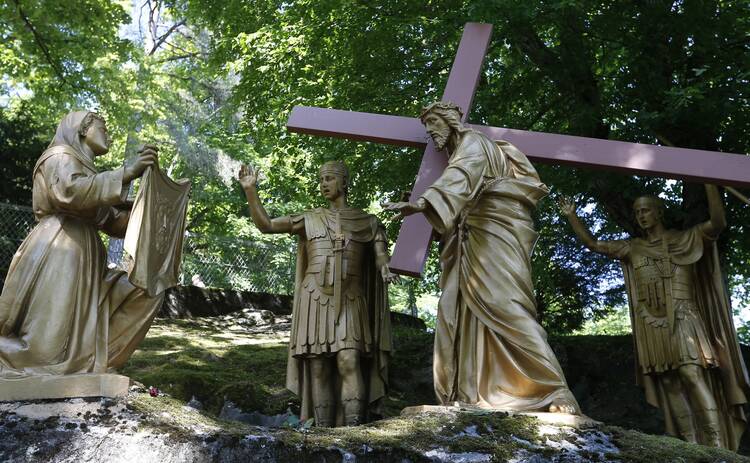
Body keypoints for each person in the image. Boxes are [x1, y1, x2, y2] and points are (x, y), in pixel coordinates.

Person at [385, 101, 579, 414]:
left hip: (496, 231)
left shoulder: (474, 143)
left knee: (504, 305)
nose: (430, 131)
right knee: (467, 311)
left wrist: (422, 204)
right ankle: (476, 392)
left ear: (450, 121)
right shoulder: (459, 153)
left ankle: (556, 389)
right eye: (427, 125)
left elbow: (461, 175)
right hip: (472, 235)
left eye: (434, 122)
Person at [560, 187, 749, 449]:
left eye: (646, 210)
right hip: (650, 322)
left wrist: (709, 184)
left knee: (691, 374)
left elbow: (718, 223)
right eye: (637, 212)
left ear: (659, 213)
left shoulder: (685, 238)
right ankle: (691, 444)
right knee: (669, 381)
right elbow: (594, 244)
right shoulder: (633, 247)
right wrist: (572, 215)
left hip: (683, 315)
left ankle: (717, 445)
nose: (641, 216)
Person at [0, 111, 163, 378]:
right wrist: (127, 172)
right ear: (83, 129)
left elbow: (110, 221)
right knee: (42, 352)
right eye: (103, 127)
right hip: (59, 249)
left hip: (86, 255)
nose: (108, 133)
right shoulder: (59, 156)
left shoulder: (91, 174)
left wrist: (151, 207)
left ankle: (91, 361)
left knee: (147, 290)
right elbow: (70, 193)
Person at [238, 161, 396, 426]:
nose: (324, 184)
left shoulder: (367, 222)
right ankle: (322, 432)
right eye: (321, 179)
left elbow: (381, 258)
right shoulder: (308, 218)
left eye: (330, 179)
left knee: (349, 359)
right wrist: (251, 191)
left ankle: (354, 429)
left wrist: (386, 270)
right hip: (314, 297)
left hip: (350, 297)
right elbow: (266, 225)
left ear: (344, 183)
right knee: (319, 365)